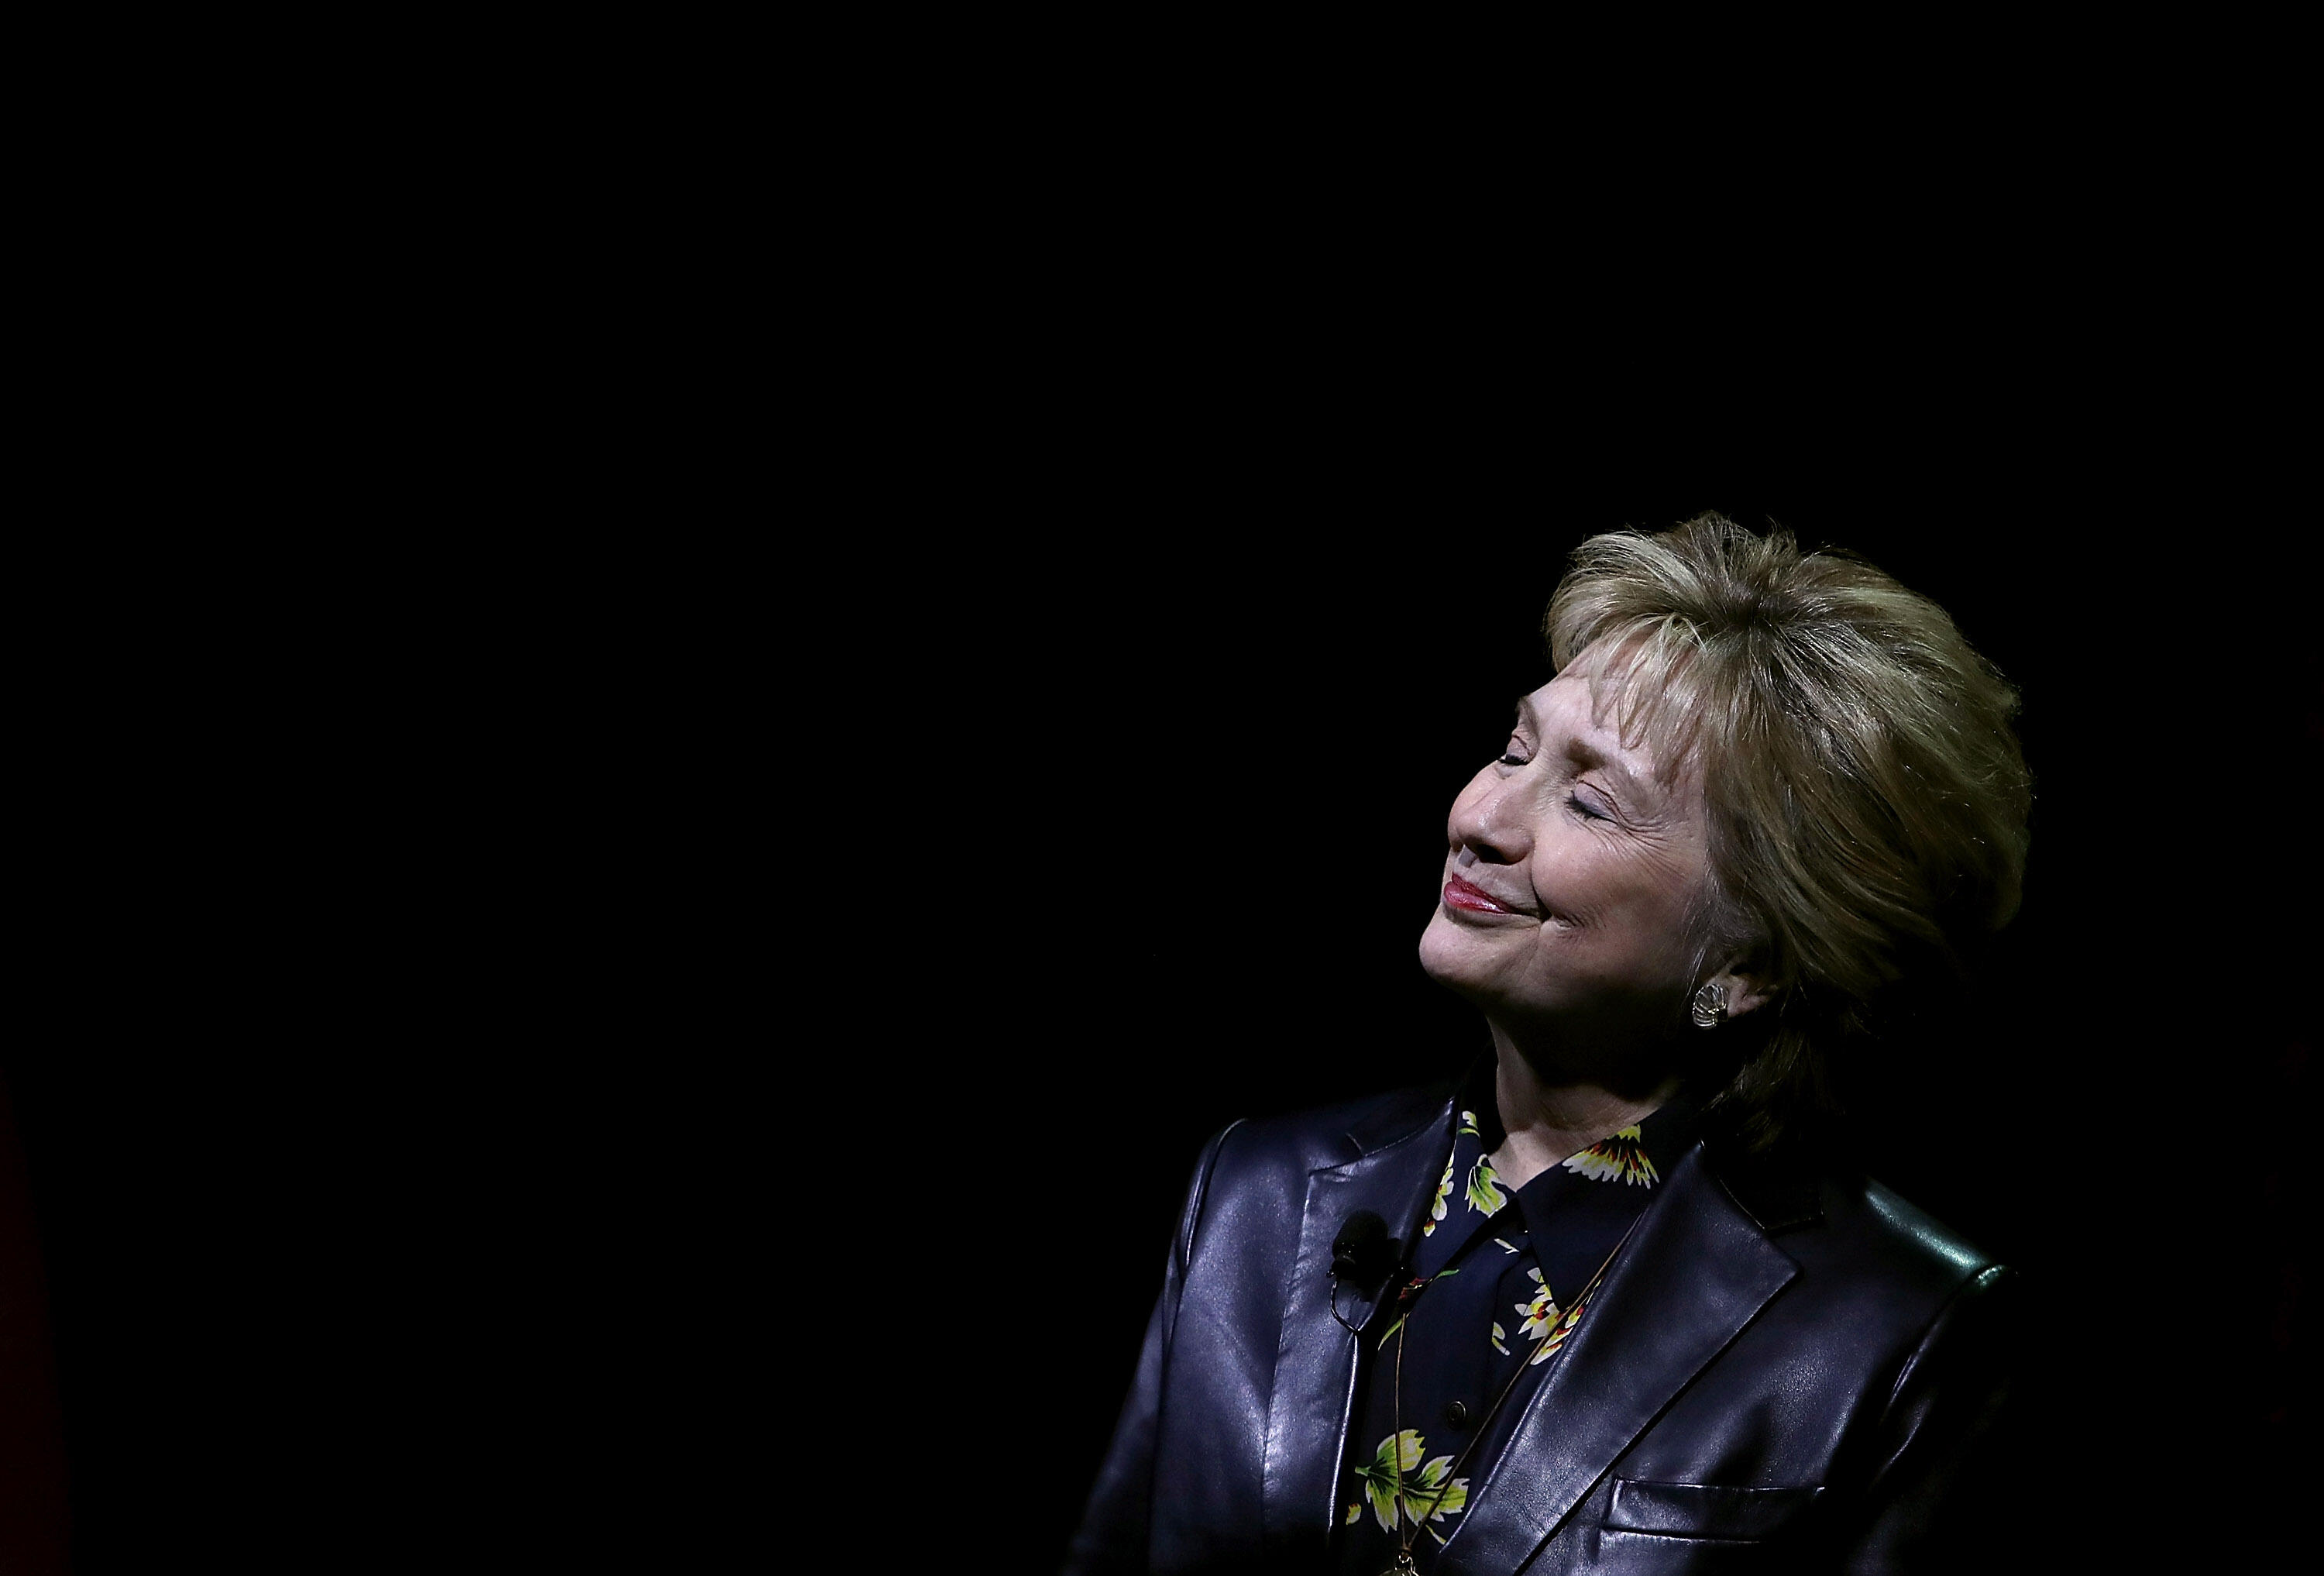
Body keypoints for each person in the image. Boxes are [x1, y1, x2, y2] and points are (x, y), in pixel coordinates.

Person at [1064, 515, 2033, 1575]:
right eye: (1513, 749)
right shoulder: (1258, 1189)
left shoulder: (1898, 1326)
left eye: (1589, 799)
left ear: (1752, 960)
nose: (1484, 818)